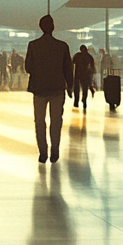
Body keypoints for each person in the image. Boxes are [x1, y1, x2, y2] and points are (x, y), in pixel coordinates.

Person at [25, 15, 75, 163]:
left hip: (39, 89)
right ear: (53, 27)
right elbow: (68, 69)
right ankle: (55, 151)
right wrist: (70, 86)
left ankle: (43, 152)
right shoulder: (62, 46)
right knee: (56, 121)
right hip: (57, 89)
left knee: (39, 121)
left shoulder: (33, 45)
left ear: (41, 27)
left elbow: (28, 67)